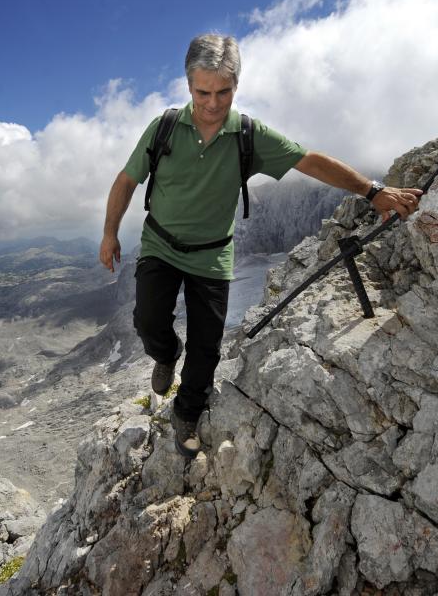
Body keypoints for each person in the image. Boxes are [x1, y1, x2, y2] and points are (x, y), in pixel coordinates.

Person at [99, 34, 422, 459]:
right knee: (148, 321)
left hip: (212, 255)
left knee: (207, 345)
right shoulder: (163, 129)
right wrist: (109, 233)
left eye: (223, 91)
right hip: (160, 244)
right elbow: (127, 180)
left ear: (236, 85)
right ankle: (166, 352)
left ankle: (188, 412)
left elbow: (308, 160)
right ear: (188, 85)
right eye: (203, 92)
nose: (213, 103)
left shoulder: (249, 136)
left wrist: (372, 189)